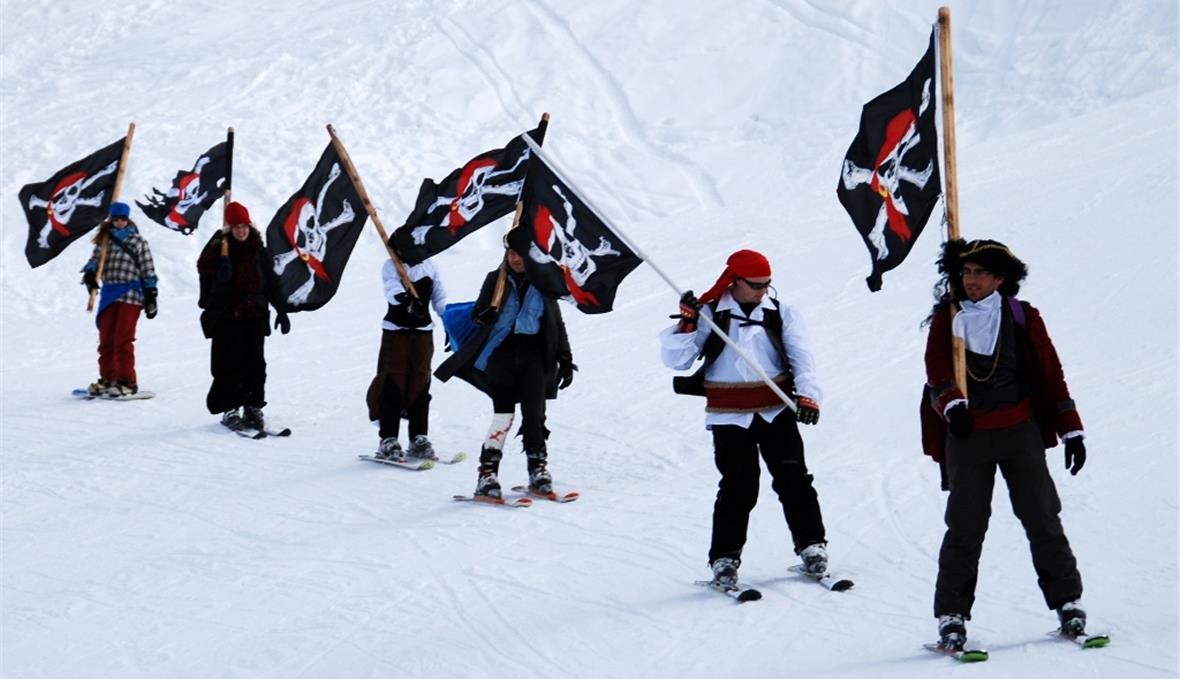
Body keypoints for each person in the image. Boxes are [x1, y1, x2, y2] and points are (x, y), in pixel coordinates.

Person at [921, 238, 1089, 649]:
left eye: (980, 273)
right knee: (965, 527)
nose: (971, 280)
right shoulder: (949, 317)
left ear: (1001, 278)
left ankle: (1067, 603)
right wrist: (952, 405)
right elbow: (937, 368)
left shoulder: (1022, 316)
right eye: (965, 272)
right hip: (968, 435)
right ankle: (951, 615)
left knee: (1043, 518)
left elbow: (1050, 372)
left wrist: (1071, 428)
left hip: (1020, 433)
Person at [660, 249, 829, 589]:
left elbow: (802, 358)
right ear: (734, 281)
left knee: (794, 479)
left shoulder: (782, 314)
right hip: (728, 415)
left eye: (767, 285)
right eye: (756, 285)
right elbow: (676, 361)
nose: (763, 291)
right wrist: (689, 323)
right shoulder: (710, 314)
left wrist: (809, 395)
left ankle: (812, 546)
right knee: (739, 487)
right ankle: (724, 559)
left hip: (775, 409)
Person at [435, 232, 575, 498]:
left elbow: (556, 323)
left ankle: (538, 470)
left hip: (534, 355)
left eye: (520, 254)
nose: (516, 259)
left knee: (535, 415)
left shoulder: (544, 282)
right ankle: (487, 474)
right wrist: (482, 315)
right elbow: (478, 313)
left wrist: (565, 358)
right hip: (501, 355)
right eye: (511, 254)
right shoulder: (495, 279)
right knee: (504, 415)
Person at [196, 201, 290, 431]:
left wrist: (281, 309)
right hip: (227, 317)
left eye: (244, 226)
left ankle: (252, 406)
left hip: (254, 315)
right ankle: (230, 408)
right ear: (230, 227)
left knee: (255, 364)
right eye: (236, 226)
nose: (241, 230)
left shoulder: (257, 249)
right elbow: (203, 270)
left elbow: (270, 281)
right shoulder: (219, 246)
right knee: (227, 364)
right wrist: (219, 268)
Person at [366, 254, 448, 460]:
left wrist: (449, 319)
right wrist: (405, 299)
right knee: (393, 382)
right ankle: (388, 438)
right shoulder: (391, 265)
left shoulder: (430, 266)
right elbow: (391, 289)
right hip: (396, 332)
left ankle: (418, 437)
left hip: (423, 333)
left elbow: (440, 297)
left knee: (420, 384)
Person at [81, 201, 158, 396]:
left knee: (122, 339)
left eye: (123, 218)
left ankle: (127, 381)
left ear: (128, 219)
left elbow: (148, 269)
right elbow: (95, 261)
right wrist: (90, 274)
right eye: (116, 219)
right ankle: (109, 379)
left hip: (131, 293)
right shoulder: (104, 241)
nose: (119, 222)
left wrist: (151, 295)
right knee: (106, 339)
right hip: (109, 293)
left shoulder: (138, 242)